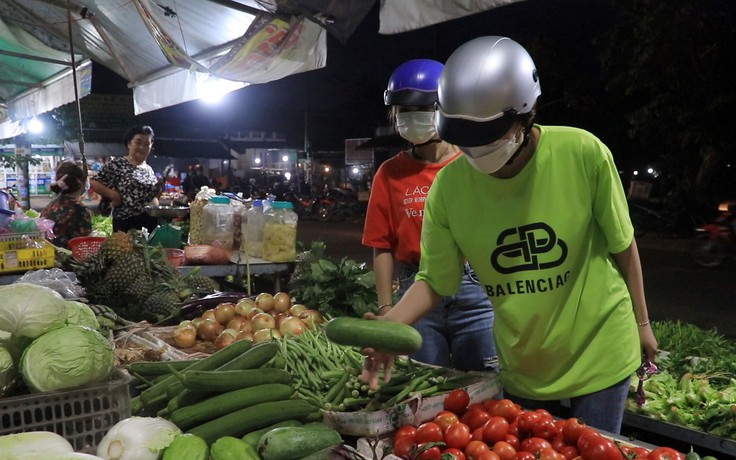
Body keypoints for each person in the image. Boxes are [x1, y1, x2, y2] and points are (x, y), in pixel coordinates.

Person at [361, 36, 658, 434]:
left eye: (491, 139)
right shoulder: (449, 188)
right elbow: (434, 280)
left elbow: (623, 247)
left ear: (527, 113)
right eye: (466, 142)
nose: (478, 154)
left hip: (600, 351)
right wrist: (390, 328)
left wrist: (642, 324)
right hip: (524, 363)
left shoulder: (583, 153)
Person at [361, 59, 497, 372]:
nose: (411, 119)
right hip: (416, 289)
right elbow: (381, 245)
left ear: (445, 108)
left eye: (422, 109)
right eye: (403, 112)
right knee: (424, 384)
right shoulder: (390, 173)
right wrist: (386, 309)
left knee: (484, 385)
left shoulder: (475, 165)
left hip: (475, 289)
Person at [90, 125, 160, 233]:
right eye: (138, 142)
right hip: (126, 224)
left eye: (147, 144)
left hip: (150, 223)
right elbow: (94, 182)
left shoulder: (148, 169)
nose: (142, 147)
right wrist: (113, 195)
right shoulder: (118, 164)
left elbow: (151, 196)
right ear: (129, 144)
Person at [40, 161, 93, 249]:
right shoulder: (80, 210)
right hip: (66, 258)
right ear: (81, 183)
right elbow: (85, 245)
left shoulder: (53, 204)